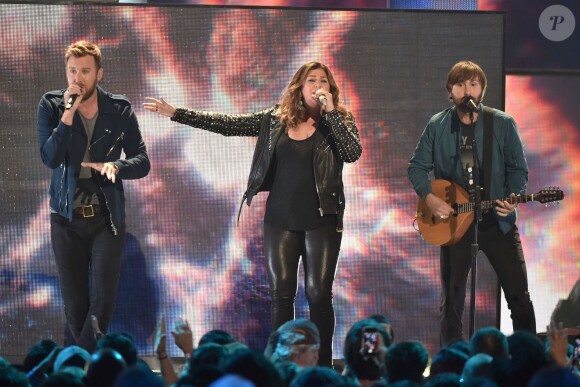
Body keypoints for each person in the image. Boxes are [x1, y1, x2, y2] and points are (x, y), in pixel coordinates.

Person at [145, 61, 362, 367]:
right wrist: (178, 114)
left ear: (331, 88)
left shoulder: (338, 121)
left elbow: (352, 153)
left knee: (318, 294)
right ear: (299, 86)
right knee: (281, 294)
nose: (317, 86)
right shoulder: (276, 119)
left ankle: (322, 365)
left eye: (323, 81)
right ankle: (280, 365)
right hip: (280, 220)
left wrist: (331, 115)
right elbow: (230, 125)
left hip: (322, 220)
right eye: (311, 80)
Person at [408, 60, 536, 346]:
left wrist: (514, 197)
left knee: (519, 296)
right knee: (451, 302)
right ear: (450, 91)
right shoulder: (437, 125)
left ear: (482, 91)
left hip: (498, 223)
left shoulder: (501, 123)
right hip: (455, 225)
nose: (467, 90)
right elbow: (416, 167)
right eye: (461, 84)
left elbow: (518, 169)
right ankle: (452, 364)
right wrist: (430, 197)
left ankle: (528, 360)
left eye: (473, 84)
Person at [38, 40, 150, 352]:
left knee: (102, 303)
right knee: (75, 307)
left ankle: (79, 366)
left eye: (85, 71)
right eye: (72, 70)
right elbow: (49, 157)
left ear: (98, 73)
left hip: (106, 218)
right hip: (66, 218)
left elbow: (142, 161)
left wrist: (116, 165)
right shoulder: (51, 105)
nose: (78, 78)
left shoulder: (119, 109)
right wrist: (67, 115)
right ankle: (85, 364)